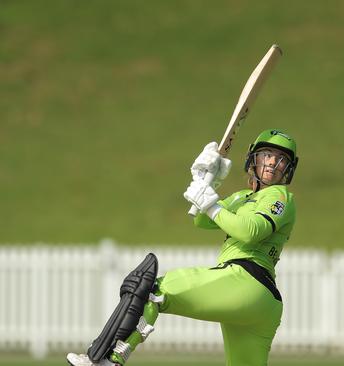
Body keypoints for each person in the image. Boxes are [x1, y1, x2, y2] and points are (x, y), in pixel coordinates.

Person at [66, 129, 299, 366]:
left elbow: (249, 231)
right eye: (266, 154)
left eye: (281, 159)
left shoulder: (280, 196)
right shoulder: (241, 197)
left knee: (154, 291)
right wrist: (206, 181)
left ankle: (108, 359)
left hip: (248, 281)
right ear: (253, 159)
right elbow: (202, 220)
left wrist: (211, 205)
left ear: (288, 168)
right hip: (259, 301)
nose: (272, 162)